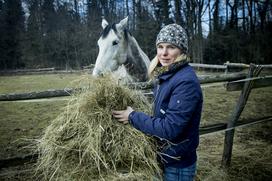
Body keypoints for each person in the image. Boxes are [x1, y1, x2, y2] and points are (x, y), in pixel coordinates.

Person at [112, 23, 203, 181]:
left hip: (177, 164)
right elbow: (160, 112)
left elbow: (170, 128)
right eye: (160, 47)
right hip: (164, 157)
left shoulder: (185, 82)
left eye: (171, 47)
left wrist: (133, 117)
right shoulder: (165, 76)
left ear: (182, 50)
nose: (164, 53)